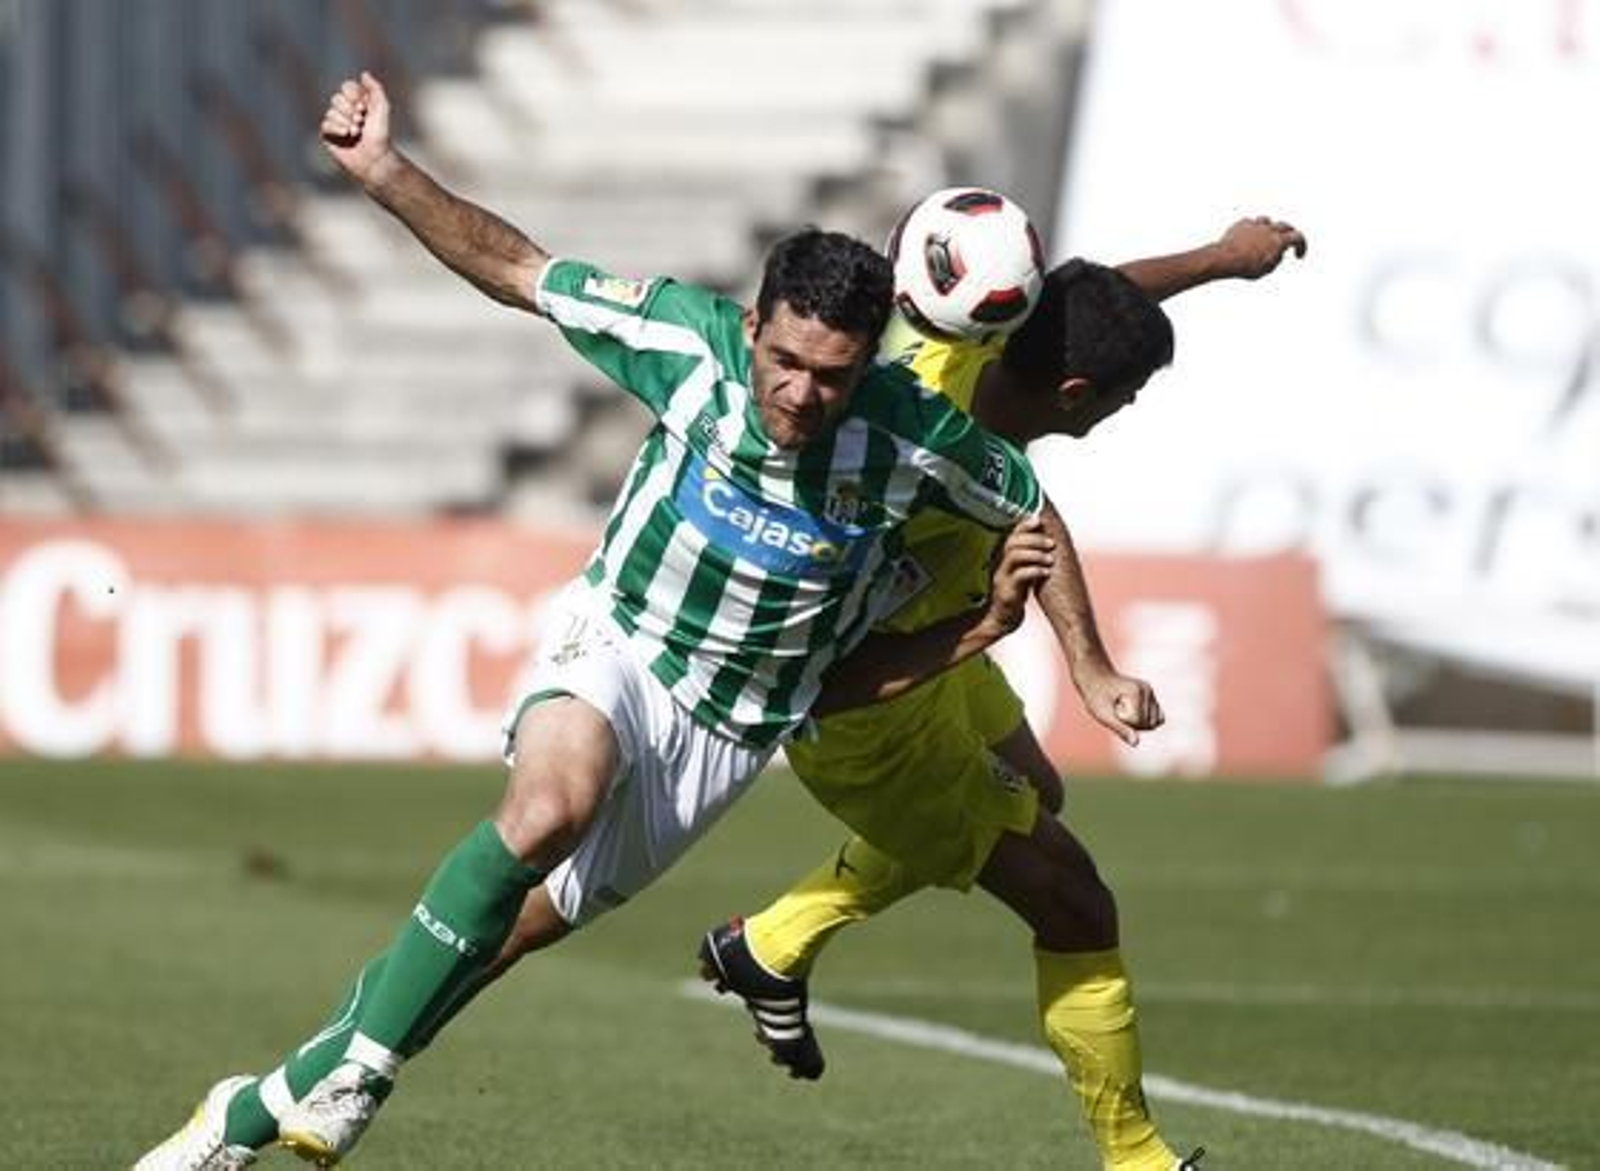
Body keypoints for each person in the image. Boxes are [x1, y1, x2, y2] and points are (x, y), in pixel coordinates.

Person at [134, 71, 1053, 1171]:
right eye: (787, 363)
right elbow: (517, 268)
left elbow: (1029, 510)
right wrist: (382, 172)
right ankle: (360, 1075)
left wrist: (1011, 629)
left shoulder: (917, 443)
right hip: (619, 640)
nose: (803, 395)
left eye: (834, 379)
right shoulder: (685, 343)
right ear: (754, 324)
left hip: (727, 734)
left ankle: (251, 1111)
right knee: (548, 807)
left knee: (498, 939)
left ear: (870, 370)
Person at [692, 220, 1308, 1171]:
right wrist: (1091, 668)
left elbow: (1086, 301)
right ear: (1075, 397)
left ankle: (773, 942)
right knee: (1074, 903)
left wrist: (1220, 260)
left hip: (951, 651)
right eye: (1125, 397)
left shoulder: (970, 325)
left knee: (1039, 795)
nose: (1125, 408)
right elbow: (1033, 510)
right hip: (879, 704)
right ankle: (1136, 1156)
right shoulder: (939, 431)